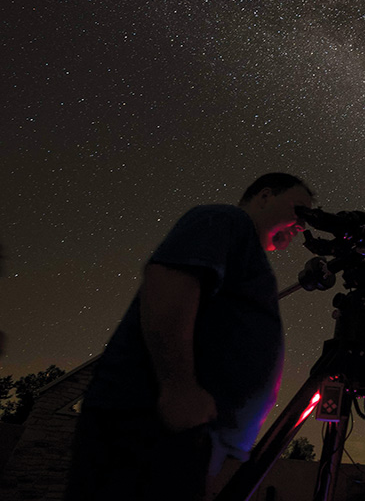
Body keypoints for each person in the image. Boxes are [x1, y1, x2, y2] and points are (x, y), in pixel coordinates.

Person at [66, 173, 314, 501]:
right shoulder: (226, 219)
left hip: (192, 438)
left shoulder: (248, 253)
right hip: (153, 428)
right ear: (265, 196)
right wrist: (178, 386)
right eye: (299, 210)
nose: (303, 224)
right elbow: (170, 280)